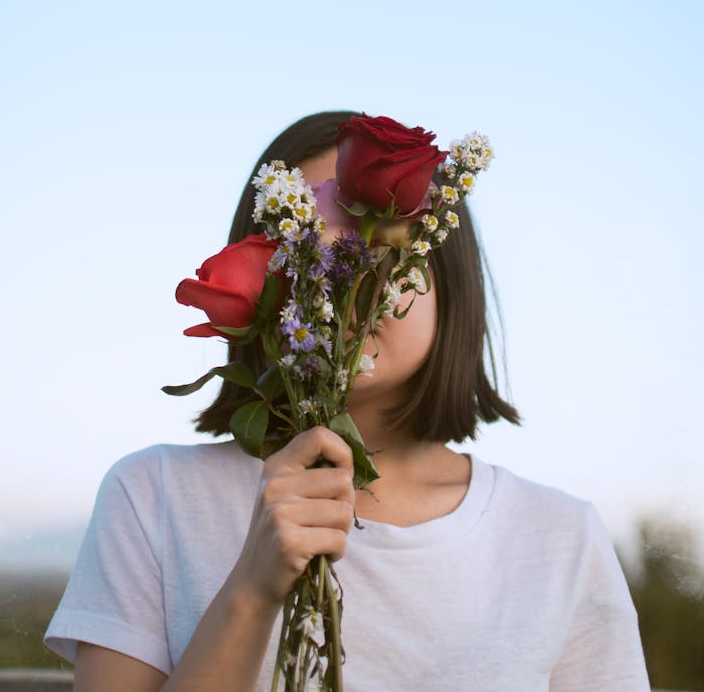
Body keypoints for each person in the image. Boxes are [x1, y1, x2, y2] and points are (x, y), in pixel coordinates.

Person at [45, 110, 651, 691]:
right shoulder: (153, 499)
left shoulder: (560, 538)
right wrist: (252, 592)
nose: (347, 268)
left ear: (447, 270)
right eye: (308, 237)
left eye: (380, 232)